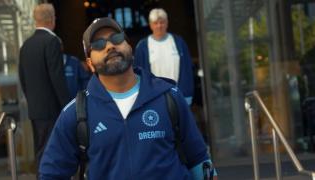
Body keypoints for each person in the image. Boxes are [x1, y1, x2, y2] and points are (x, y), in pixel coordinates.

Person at [39, 17, 217, 179]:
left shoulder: (169, 96)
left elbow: (200, 161)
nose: (110, 46)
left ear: (129, 48)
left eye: (116, 38)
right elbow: (52, 173)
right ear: (90, 64)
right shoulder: (76, 113)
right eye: (99, 44)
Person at [18, 3, 70, 170]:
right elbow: (57, 78)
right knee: (55, 151)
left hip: (36, 110)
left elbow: (22, 78)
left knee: (41, 150)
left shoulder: (26, 45)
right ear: (52, 19)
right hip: (52, 109)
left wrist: (33, 101)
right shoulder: (52, 41)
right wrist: (68, 107)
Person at [134, 8, 194, 105]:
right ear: (150, 25)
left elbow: (187, 69)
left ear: (167, 23)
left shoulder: (178, 42)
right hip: (154, 98)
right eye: (155, 23)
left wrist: (187, 95)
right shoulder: (142, 46)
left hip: (178, 95)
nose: (159, 26)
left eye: (162, 22)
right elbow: (138, 74)